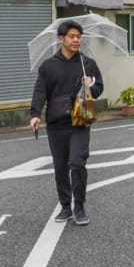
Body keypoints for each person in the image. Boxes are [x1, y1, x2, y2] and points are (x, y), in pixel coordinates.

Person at [29, 20, 104, 225]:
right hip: (56, 124)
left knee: (77, 163)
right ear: (61, 39)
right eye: (71, 36)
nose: (76, 40)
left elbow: (99, 90)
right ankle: (65, 206)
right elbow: (40, 91)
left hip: (80, 122)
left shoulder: (87, 64)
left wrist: (90, 85)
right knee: (60, 167)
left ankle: (79, 206)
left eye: (78, 36)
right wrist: (35, 114)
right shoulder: (48, 66)